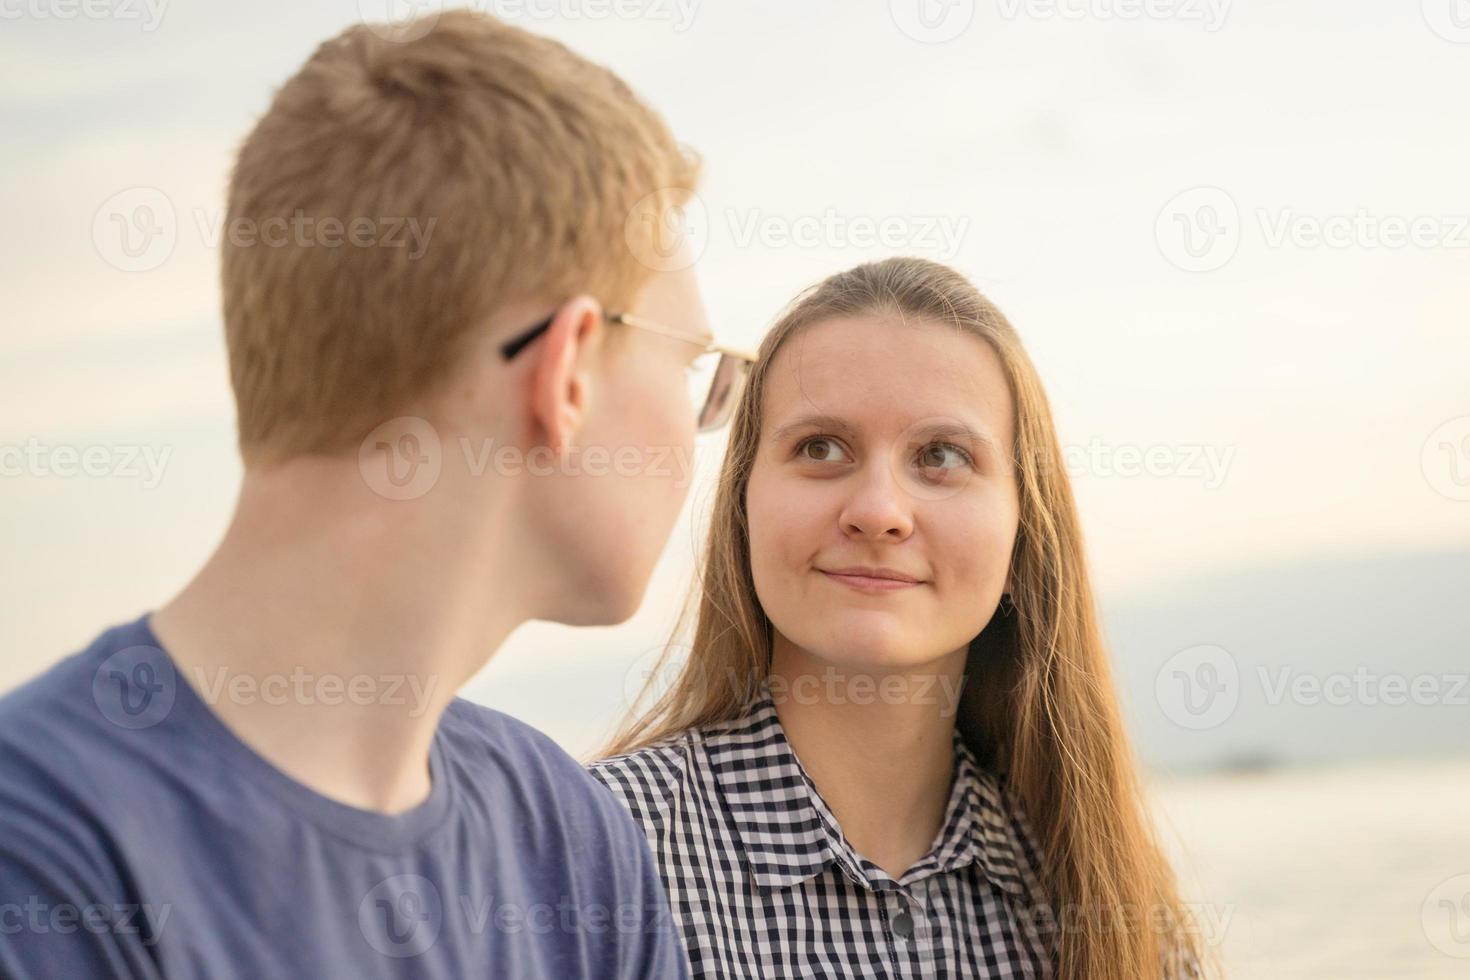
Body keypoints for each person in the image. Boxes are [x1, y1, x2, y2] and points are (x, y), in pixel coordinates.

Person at [0, 10, 738, 978]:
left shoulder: (576, 838)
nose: (699, 430)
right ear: (566, 371)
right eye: (692, 369)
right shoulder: (43, 863)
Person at [589, 257, 1212, 979]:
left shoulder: (1102, 893)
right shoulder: (597, 855)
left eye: (942, 456)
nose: (879, 512)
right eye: (820, 448)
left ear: (1023, 536)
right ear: (743, 509)